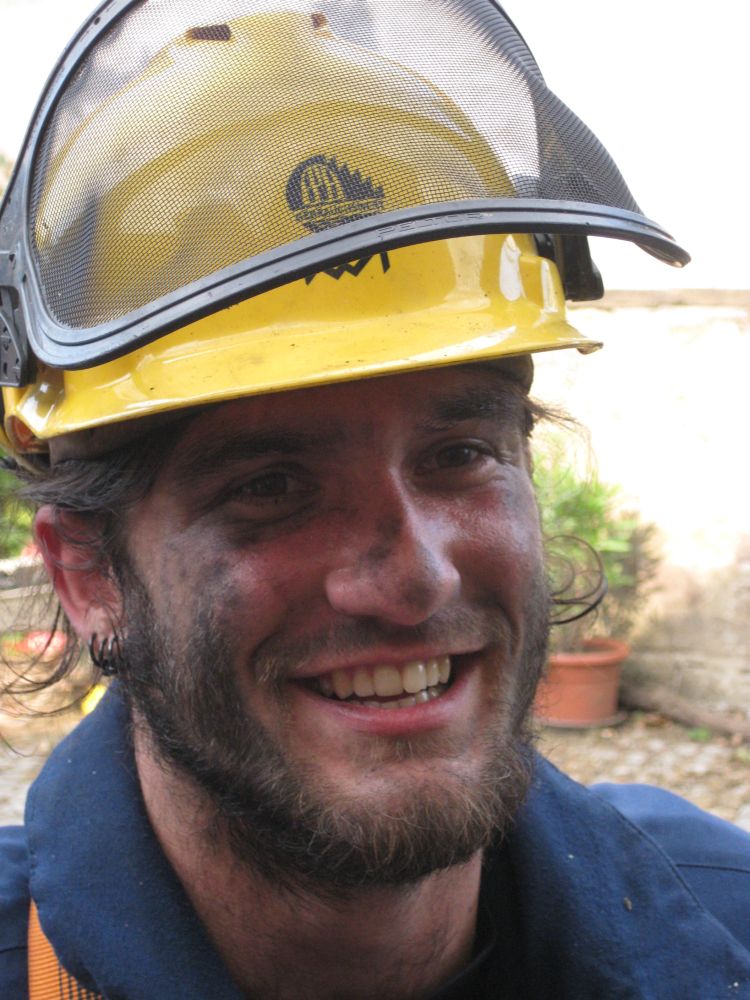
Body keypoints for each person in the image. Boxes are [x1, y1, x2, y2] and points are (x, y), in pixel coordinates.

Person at [0, 2, 747, 997]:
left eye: (461, 454)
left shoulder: (723, 921)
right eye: (271, 487)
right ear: (89, 574)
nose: (416, 576)